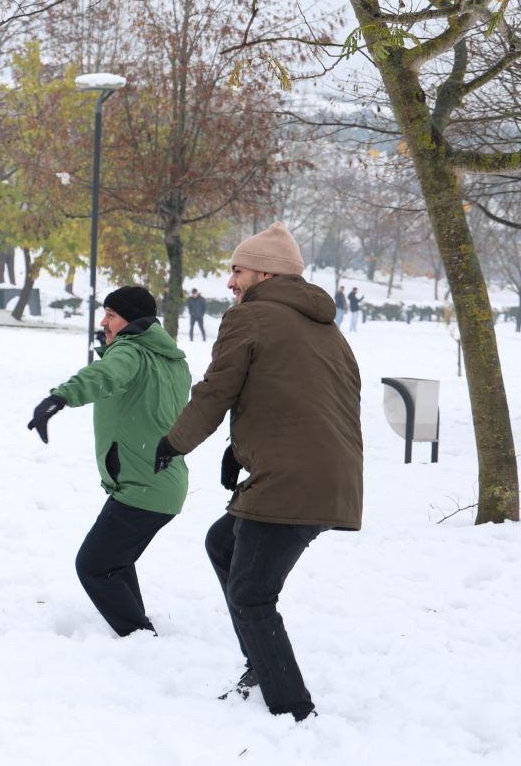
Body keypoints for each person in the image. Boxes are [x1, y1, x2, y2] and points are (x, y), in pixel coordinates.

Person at [153, 221, 362, 722]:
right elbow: (291, 396)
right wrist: (239, 447)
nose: (230, 282)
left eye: (238, 270)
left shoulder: (250, 319)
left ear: (266, 273)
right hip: (326, 476)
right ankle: (261, 667)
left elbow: (217, 390)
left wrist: (174, 442)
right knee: (223, 543)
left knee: (251, 594)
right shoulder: (325, 328)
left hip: (290, 480)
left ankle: (291, 708)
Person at [27, 286, 191, 637]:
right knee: (114, 561)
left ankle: (137, 634)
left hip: (143, 486)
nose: (104, 322)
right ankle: (139, 632)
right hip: (161, 480)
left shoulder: (130, 353)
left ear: (132, 321)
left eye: (111, 315)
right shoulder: (173, 362)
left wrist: (60, 397)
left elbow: (105, 375)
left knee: (93, 565)